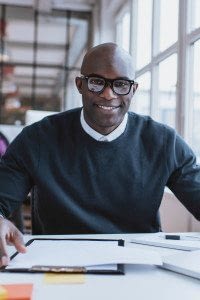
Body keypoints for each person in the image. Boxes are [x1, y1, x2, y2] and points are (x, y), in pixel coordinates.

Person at [0, 42, 200, 267]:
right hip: (59, 265)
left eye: (121, 84)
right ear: (80, 85)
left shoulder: (164, 143)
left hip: (140, 266)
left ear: (133, 90)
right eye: (96, 82)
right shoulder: (37, 139)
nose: (108, 94)